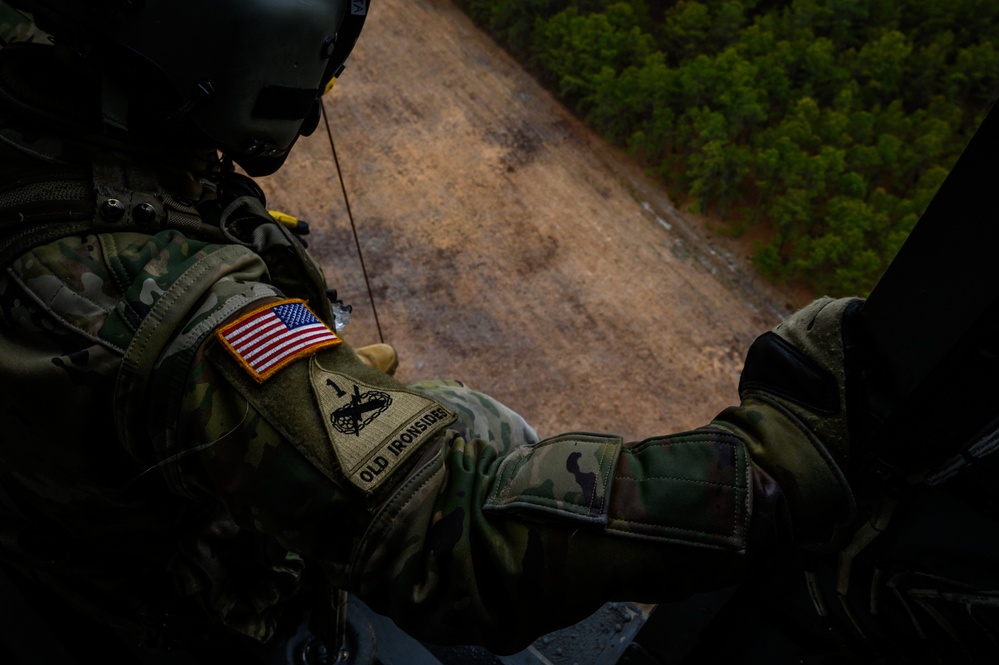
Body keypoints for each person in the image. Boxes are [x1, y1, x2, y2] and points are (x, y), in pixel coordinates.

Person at [0, 0, 869, 662]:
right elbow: (461, 546)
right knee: (473, 440)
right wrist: (778, 462)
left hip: (65, 544)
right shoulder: (181, 311)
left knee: (454, 409)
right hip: (193, 613)